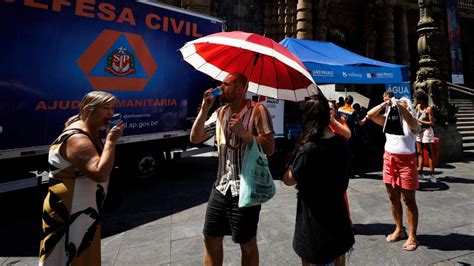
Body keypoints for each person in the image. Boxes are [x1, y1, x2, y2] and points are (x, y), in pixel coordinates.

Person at [190, 72, 275, 266]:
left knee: (247, 245)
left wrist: (244, 134)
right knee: (210, 239)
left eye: (226, 84)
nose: (221, 88)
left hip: (246, 189)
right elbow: (195, 138)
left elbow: (270, 148)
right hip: (221, 187)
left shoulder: (258, 110)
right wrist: (204, 109)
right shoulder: (220, 112)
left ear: (240, 88)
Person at [39, 91, 124, 265]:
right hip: (71, 209)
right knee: (70, 256)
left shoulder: (88, 130)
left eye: (112, 108)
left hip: (82, 208)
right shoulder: (78, 139)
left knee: (81, 255)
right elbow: (99, 173)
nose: (111, 113)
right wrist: (110, 142)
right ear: (87, 110)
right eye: (106, 108)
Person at [283, 94, 355, 266]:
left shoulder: (308, 149)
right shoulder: (341, 143)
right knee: (339, 257)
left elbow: (289, 180)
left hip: (313, 221)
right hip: (338, 214)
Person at [366, 96, 420, 251]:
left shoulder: (412, 123)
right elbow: (370, 115)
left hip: (406, 163)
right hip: (389, 160)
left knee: (408, 199)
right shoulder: (388, 121)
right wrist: (385, 103)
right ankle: (399, 229)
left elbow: (409, 117)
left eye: (403, 105)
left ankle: (412, 236)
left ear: (408, 108)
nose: (398, 108)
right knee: (392, 197)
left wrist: (399, 105)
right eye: (397, 106)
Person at [414, 90, 436, 183]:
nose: (414, 100)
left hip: (427, 131)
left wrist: (420, 121)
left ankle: (432, 174)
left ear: (420, 100)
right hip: (419, 131)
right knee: (419, 152)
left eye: (415, 99)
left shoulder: (429, 109)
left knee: (429, 152)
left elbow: (432, 123)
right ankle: (419, 172)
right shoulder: (418, 106)